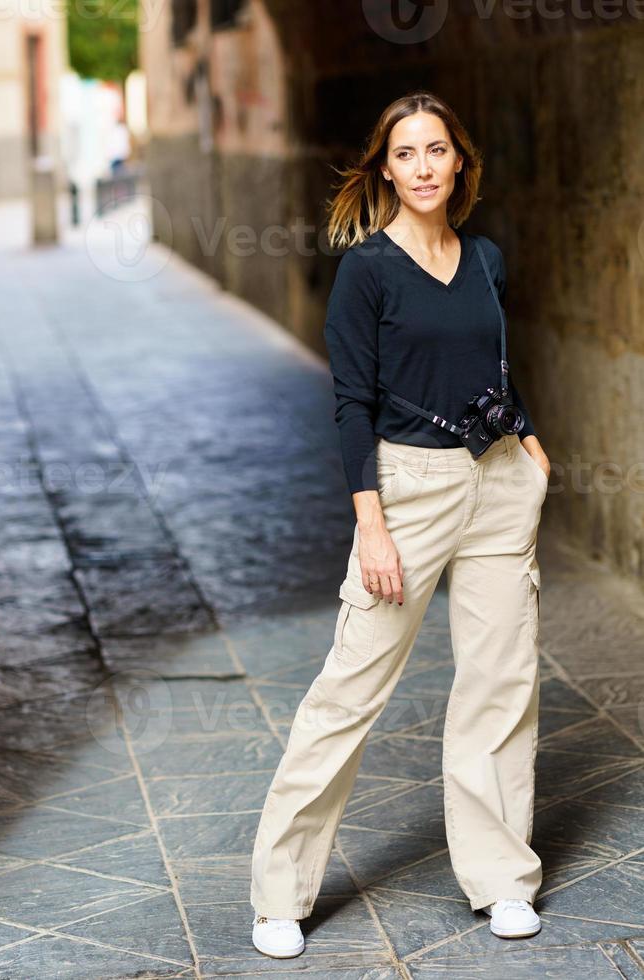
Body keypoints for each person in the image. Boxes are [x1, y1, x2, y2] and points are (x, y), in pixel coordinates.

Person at [250, 89, 550, 959]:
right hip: (406, 491)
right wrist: (370, 524)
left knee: (500, 687)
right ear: (386, 167)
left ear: (460, 161)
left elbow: (490, 362)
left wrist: (530, 442)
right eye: (406, 153)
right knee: (351, 688)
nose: (423, 167)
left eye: (437, 150)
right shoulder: (368, 270)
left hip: (498, 484)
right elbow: (352, 402)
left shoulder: (486, 257)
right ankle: (280, 892)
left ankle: (502, 880)